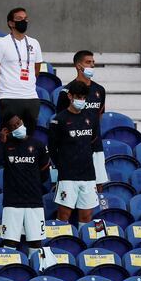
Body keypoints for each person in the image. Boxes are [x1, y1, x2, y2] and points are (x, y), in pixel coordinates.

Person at [0, 114, 51, 256]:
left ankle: (36, 273)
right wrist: (1, 142)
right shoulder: (6, 145)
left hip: (34, 202)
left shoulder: (38, 145)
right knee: (10, 243)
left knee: (35, 243)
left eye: (18, 123)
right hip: (12, 203)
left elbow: (44, 174)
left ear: (22, 121)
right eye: (13, 126)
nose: (17, 127)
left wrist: (32, 184)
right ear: (8, 130)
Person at [49, 81, 102, 224]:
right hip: (68, 175)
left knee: (86, 216)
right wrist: (62, 166)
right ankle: (61, 243)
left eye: (84, 97)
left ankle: (85, 245)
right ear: (70, 96)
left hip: (88, 174)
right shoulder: (59, 120)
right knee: (64, 214)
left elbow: (93, 142)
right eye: (78, 97)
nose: (81, 100)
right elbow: (52, 148)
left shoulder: (91, 118)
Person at [56, 50, 108, 188]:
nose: (92, 65)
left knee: (97, 188)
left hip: (95, 146)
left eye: (93, 62)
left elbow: (99, 116)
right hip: (73, 147)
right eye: (88, 62)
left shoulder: (100, 90)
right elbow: (61, 123)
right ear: (79, 66)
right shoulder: (66, 93)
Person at [0, 7, 44, 134]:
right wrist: (3, 86)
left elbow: (36, 69)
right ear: (11, 23)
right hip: (9, 97)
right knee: (9, 138)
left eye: (25, 19)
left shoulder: (34, 43)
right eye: (19, 19)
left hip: (31, 98)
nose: (23, 21)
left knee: (29, 137)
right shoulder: (1, 43)